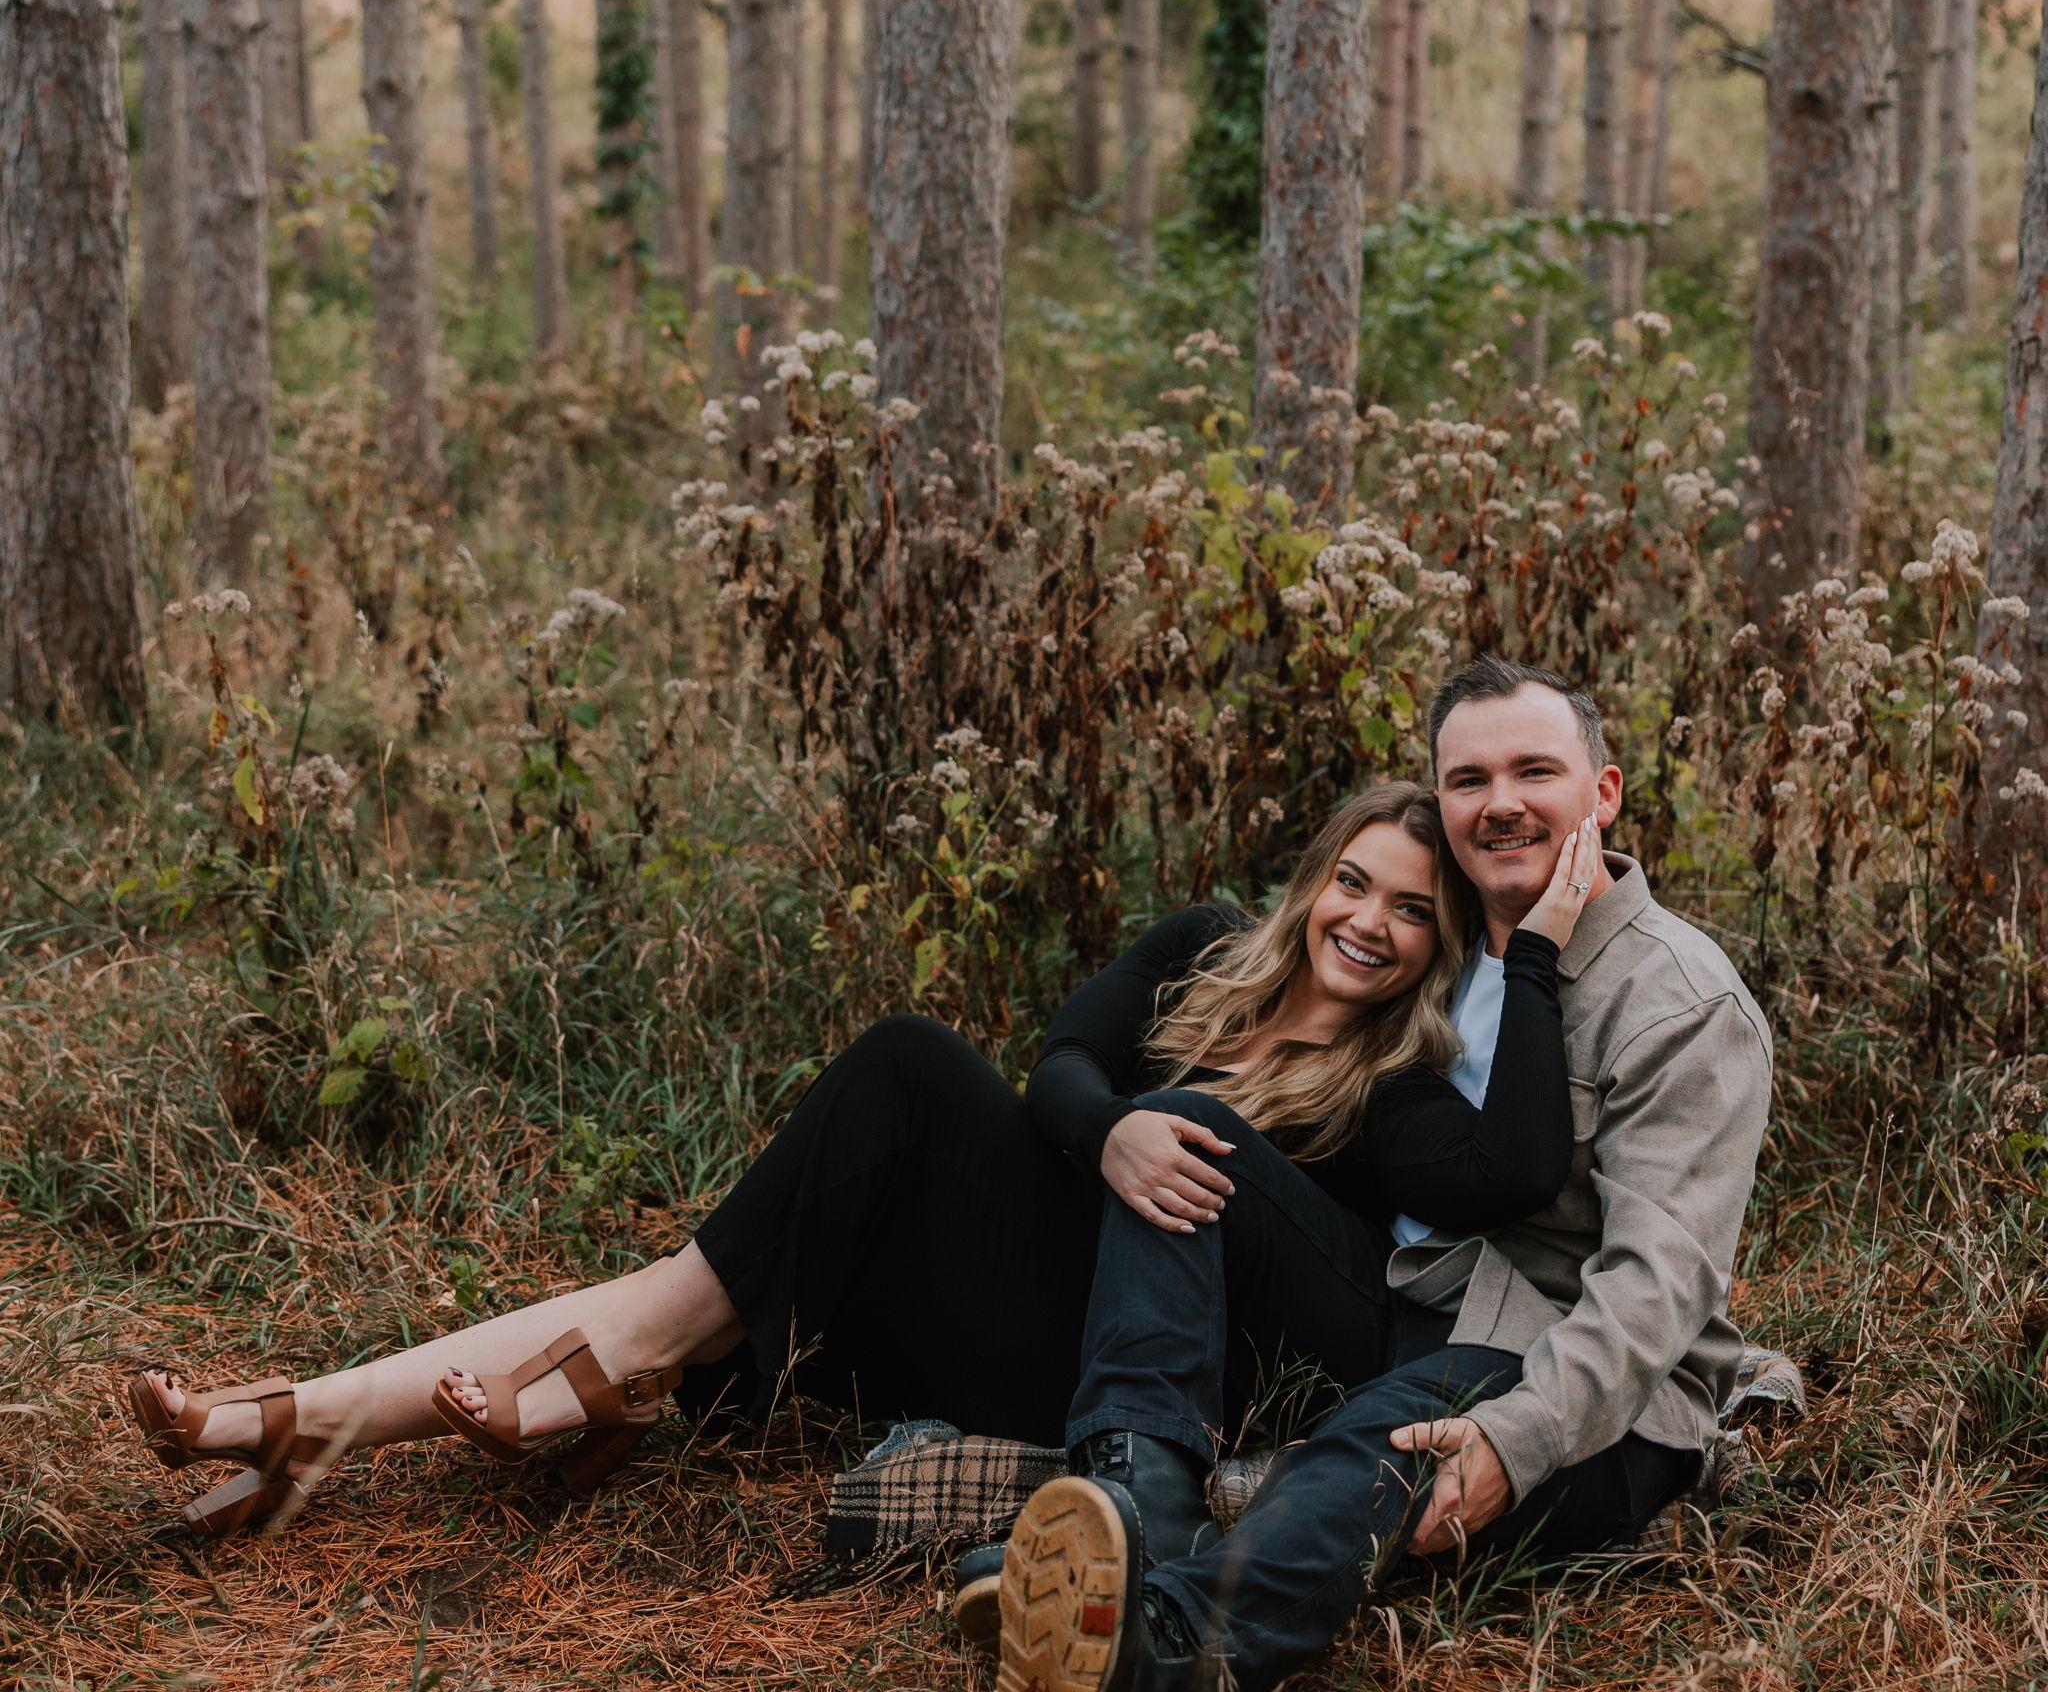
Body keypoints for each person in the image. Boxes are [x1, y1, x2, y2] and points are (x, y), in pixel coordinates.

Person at [121, 779, 1578, 1541]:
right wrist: (1115, 1126)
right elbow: (1061, 1069)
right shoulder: (1201, 949)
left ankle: (459, 1401)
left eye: (1412, 913)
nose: (1368, 922)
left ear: (1439, 950)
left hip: (1097, 1360)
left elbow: (1514, 1170)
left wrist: (1535, 948)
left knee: (889, 1085)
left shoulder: (1386, 1095)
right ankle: (295, 1423)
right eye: (1352, 882)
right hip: (992, 1287)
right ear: (1316, 878)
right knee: (719, 1258)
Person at [995, 658, 1774, 1692]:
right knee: (1191, 1131)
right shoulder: (1434, 946)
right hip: (1408, 1303)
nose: (1499, 803)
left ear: (1603, 792)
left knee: (1389, 1438)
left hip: (1570, 1365)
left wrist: (1515, 1438)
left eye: (1533, 771)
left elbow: (1654, 1288)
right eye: (1469, 779)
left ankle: (1166, 1637)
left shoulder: (1679, 1003)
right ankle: (1135, 1509)